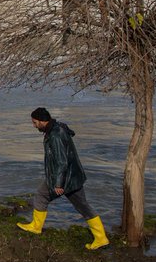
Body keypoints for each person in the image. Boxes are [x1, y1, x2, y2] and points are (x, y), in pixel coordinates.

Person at [17, 107, 109, 250]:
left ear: (42, 121)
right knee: (82, 206)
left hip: (64, 178)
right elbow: (69, 135)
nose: (34, 125)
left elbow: (62, 161)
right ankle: (101, 237)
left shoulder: (54, 135)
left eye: (35, 123)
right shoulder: (57, 127)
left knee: (42, 196)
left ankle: (36, 227)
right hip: (71, 176)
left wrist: (59, 184)